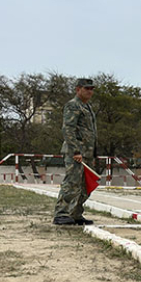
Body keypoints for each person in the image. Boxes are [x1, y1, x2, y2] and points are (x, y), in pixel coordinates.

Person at [53, 78, 98, 226]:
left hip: (87, 153)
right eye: (87, 89)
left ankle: (76, 213)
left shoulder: (87, 107)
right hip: (76, 153)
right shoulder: (73, 106)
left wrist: (93, 154)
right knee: (72, 183)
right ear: (78, 89)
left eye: (91, 89)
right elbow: (68, 129)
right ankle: (62, 213)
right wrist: (75, 151)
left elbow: (91, 133)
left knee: (84, 186)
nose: (90, 91)